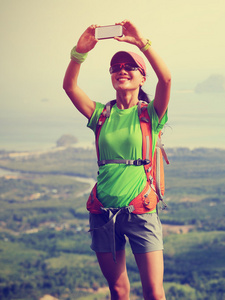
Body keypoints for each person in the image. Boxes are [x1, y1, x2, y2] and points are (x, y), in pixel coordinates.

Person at [63, 20, 171, 300]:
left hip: (141, 211)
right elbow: (70, 87)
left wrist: (142, 43)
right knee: (119, 291)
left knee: (154, 292)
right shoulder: (100, 114)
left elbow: (167, 79)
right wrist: (79, 53)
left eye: (129, 67)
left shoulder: (151, 115)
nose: (121, 71)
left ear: (142, 77)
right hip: (102, 211)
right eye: (116, 68)